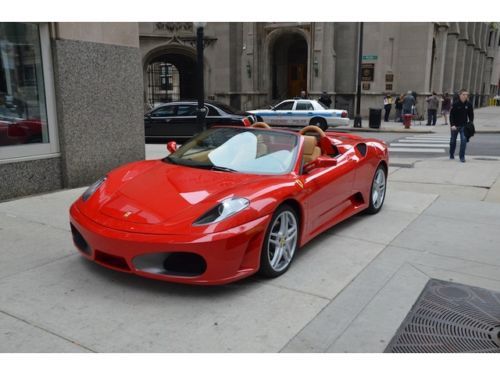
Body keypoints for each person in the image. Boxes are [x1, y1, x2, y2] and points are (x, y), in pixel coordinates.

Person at [449, 89, 474, 163]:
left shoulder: (469, 104)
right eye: (464, 94)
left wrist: (470, 122)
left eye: (467, 94)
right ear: (460, 95)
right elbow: (451, 115)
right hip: (455, 126)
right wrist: (452, 125)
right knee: (453, 141)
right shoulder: (455, 104)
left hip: (464, 126)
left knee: (464, 140)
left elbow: (471, 114)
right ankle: (451, 154)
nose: (465, 96)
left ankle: (462, 157)